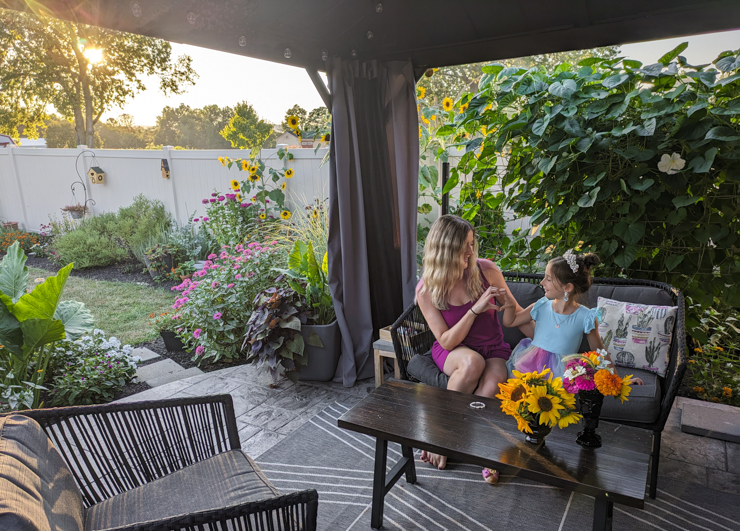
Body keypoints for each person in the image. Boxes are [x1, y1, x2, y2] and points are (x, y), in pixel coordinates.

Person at [416, 215, 533, 470]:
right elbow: (446, 341)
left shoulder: (487, 271)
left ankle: (454, 438)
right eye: (465, 245)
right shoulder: (427, 289)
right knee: (471, 363)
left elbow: (517, 313)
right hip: (454, 350)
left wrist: (551, 336)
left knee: (493, 385)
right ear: (446, 248)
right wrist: (475, 310)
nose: (472, 250)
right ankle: (439, 436)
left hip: (493, 348)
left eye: (472, 242)